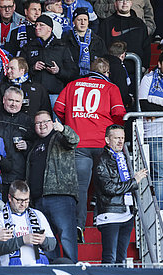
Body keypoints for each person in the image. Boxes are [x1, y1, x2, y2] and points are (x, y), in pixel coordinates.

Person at [54, 58, 126, 243]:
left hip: (78, 142)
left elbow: (58, 108)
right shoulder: (111, 88)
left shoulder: (72, 85)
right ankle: (102, 219)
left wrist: (72, 122)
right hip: (103, 142)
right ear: (107, 72)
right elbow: (119, 114)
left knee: (80, 187)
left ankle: (78, 224)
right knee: (105, 184)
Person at [26, 111, 80, 263]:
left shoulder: (59, 138)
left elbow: (74, 140)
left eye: (46, 122)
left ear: (52, 122)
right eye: (38, 123)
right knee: (46, 240)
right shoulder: (34, 145)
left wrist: (62, 129)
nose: (42, 125)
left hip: (60, 196)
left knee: (66, 236)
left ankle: (73, 273)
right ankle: (51, 273)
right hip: (38, 200)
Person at [95, 124, 147, 264]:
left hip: (127, 213)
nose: (120, 141)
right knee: (110, 257)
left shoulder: (123, 157)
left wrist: (133, 181)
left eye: (122, 138)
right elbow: (109, 188)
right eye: (116, 138)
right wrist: (134, 181)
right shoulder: (102, 160)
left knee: (121, 259)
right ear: (107, 140)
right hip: (110, 214)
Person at [20, 15, 78, 116]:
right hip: (34, 94)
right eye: (36, 25)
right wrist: (32, 68)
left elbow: (73, 72)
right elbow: (19, 69)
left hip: (55, 94)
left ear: (50, 29)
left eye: (41, 25)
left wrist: (58, 71)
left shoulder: (61, 47)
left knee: (56, 124)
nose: (37, 28)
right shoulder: (28, 46)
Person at [0, 180, 56, 266]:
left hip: (39, 267)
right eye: (19, 200)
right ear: (10, 197)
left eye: (26, 200)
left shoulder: (38, 215)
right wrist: (22, 240)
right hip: (11, 270)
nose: (23, 204)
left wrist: (44, 240)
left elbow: (52, 244)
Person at [98, 0, 151, 93]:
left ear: (131, 3)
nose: (124, 3)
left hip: (135, 72)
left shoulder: (140, 24)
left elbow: (146, 47)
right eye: (121, 0)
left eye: (127, 0)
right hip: (112, 72)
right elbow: (101, 47)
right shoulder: (106, 24)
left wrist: (144, 67)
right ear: (115, 4)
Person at [0, 86, 35, 199]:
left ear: (22, 103)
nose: (13, 104)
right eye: (11, 100)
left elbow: (37, 145)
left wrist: (27, 145)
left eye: (17, 101)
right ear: (4, 100)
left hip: (17, 175)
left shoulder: (27, 121)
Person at [139, 52, 163, 209]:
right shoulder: (148, 79)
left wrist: (158, 111)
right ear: (160, 64)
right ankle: (161, 213)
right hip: (155, 135)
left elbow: (153, 108)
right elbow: (146, 106)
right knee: (159, 177)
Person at [62, 7, 107, 76]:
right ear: (73, 22)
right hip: (71, 78)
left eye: (85, 20)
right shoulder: (65, 39)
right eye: (79, 20)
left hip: (93, 77)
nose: (83, 23)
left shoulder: (97, 41)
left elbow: (103, 61)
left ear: (88, 22)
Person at [104, 40, 132, 109]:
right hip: (115, 105)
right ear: (122, 55)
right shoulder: (119, 69)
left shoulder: (101, 64)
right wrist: (129, 100)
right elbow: (122, 91)